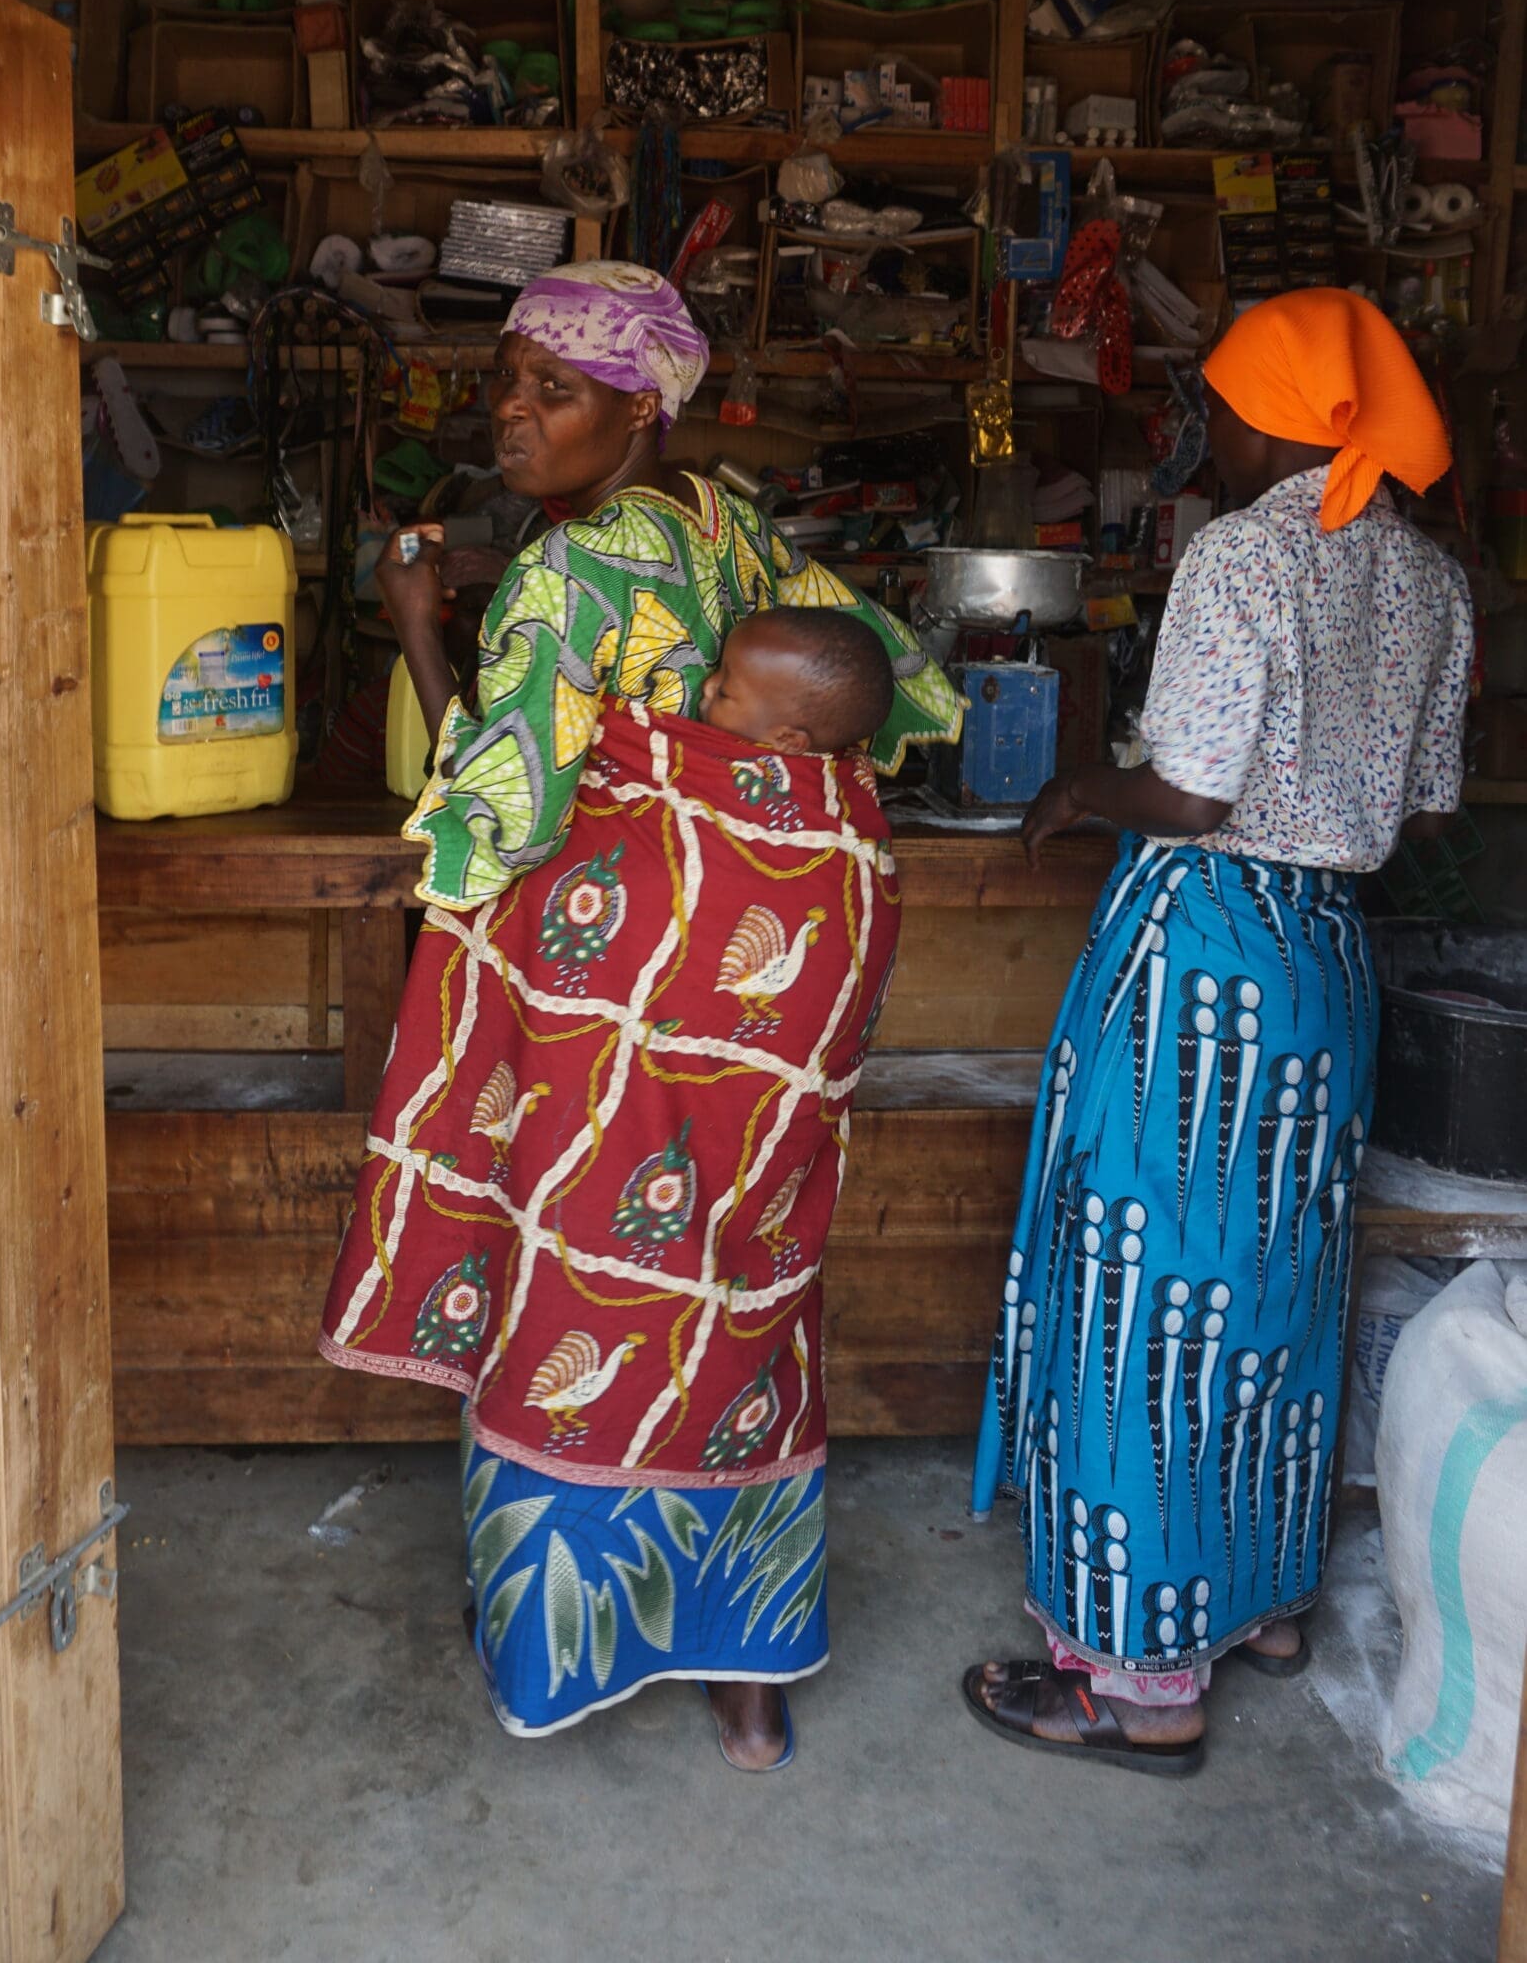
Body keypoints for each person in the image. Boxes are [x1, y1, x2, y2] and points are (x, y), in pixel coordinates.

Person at [319, 261, 961, 1769]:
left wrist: (417, 619)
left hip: (626, 994)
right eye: (505, 381)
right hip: (778, 993)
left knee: (588, 1284)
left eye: (552, 389)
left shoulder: (559, 576)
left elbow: (496, 812)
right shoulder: (730, 513)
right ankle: (749, 1683)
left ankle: (559, 1648)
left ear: (638, 405)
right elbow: (890, 691)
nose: (508, 416)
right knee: (744, 1275)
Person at [967, 286, 1472, 1778]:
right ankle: (1260, 1605)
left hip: (1210, 960)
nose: (1207, 433)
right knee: (1275, 1286)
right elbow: (1430, 805)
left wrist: (1074, 795)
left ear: (1284, 421)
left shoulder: (1242, 555)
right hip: (1325, 968)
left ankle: (1138, 1679)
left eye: (1224, 407)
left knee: (1151, 1297)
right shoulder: (1427, 575)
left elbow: (1187, 793)